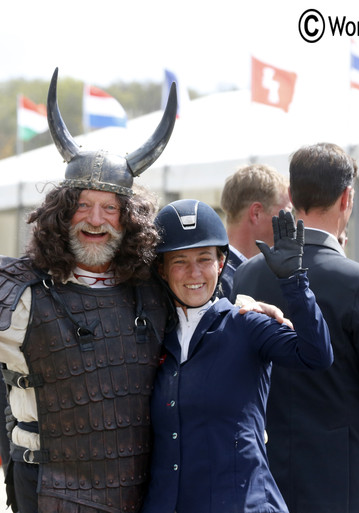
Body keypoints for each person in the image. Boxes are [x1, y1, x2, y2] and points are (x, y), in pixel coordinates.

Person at [0, 69, 178, 513]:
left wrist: (247, 305)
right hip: (48, 487)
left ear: (130, 219)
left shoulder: (154, 291)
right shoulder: (18, 288)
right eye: (83, 205)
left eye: (110, 208)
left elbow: (207, 315)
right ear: (62, 214)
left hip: (137, 487)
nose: (95, 219)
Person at [232, 142, 359, 513]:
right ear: (347, 199)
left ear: (292, 196)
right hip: (346, 483)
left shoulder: (247, 274)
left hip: (266, 477)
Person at [141, 200, 332, 513]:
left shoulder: (248, 324)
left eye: (204, 259)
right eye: (180, 261)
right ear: (161, 270)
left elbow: (317, 355)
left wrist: (295, 283)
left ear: (221, 262)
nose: (194, 273)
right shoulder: (156, 339)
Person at [219, 164, 291, 298]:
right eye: (287, 212)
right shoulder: (220, 280)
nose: (292, 223)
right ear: (256, 213)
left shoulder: (225, 273)